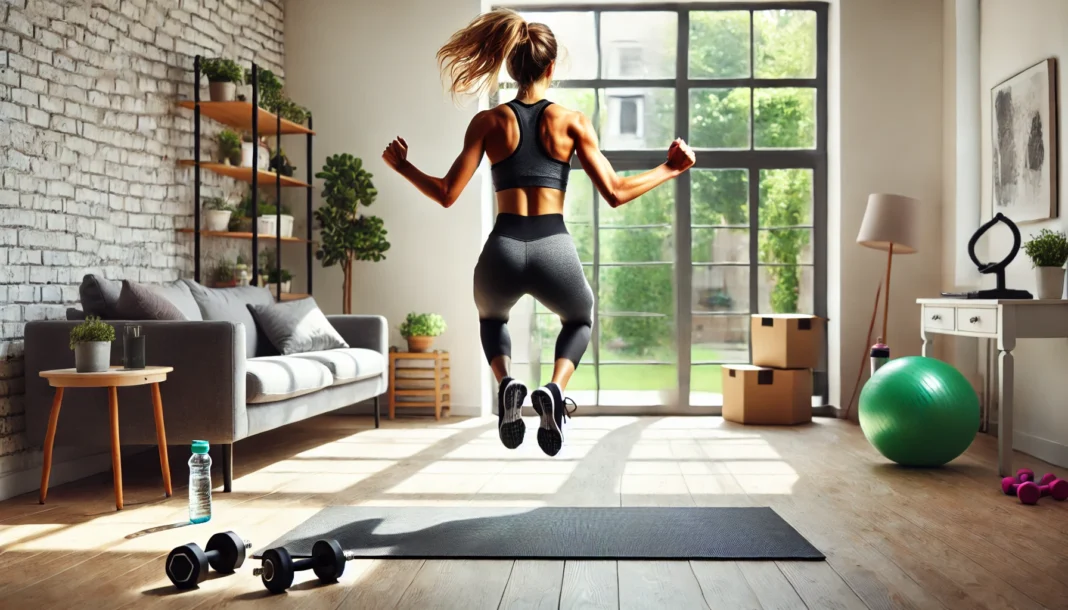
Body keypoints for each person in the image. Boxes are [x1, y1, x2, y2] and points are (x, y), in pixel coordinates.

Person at [382, 9, 695, 456]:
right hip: (553, 247)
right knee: (580, 318)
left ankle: (508, 383)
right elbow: (616, 192)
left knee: (492, 318)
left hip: (503, 249)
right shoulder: (572, 122)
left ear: (510, 66)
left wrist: (403, 165)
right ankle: (552, 389)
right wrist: (670, 167)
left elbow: (448, 192)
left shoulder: (488, 122)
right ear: (551, 68)